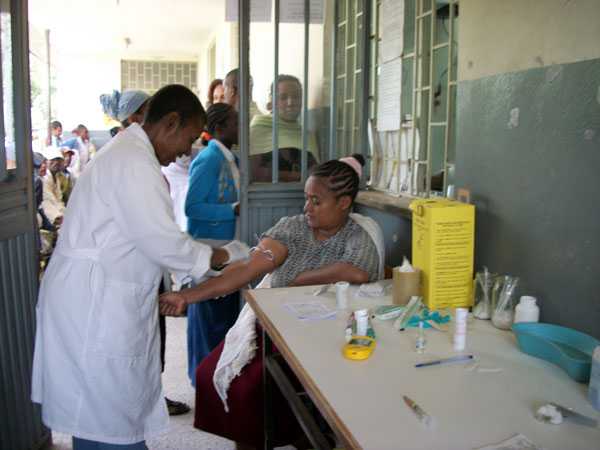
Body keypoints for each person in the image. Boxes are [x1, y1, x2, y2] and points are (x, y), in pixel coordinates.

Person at [31, 84, 250, 450]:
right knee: (107, 414)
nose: (186, 150)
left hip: (99, 293)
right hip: (94, 304)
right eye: (189, 137)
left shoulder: (133, 155)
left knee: (103, 412)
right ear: (170, 122)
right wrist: (226, 255)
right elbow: (164, 242)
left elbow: (149, 237)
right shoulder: (133, 162)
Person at [160, 154, 384, 449]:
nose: (307, 208)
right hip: (279, 329)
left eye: (316, 201)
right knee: (232, 382)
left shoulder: (359, 234)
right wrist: (186, 297)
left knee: (302, 392)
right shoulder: (293, 229)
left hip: (328, 336)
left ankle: (305, 433)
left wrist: (299, 279)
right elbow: (247, 269)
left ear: (344, 203)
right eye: (306, 198)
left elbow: (356, 271)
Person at [184, 103, 241, 386]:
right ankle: (202, 379)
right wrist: (232, 210)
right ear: (219, 128)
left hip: (226, 249)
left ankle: (214, 378)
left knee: (222, 318)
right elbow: (191, 207)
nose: (240, 126)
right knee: (207, 320)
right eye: (235, 122)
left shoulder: (230, 158)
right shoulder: (210, 159)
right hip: (209, 249)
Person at [249, 74, 319, 182]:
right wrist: (298, 176)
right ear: (272, 102)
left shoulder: (307, 135)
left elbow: (316, 172)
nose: (290, 103)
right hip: (264, 197)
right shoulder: (259, 129)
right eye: (283, 97)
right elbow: (252, 172)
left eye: (296, 97)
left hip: (301, 197)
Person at [40, 147, 66, 227]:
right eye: (52, 160)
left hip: (57, 210)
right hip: (47, 213)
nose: (56, 163)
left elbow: (59, 199)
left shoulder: (58, 177)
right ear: (45, 162)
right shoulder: (44, 178)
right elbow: (49, 200)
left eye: (58, 160)